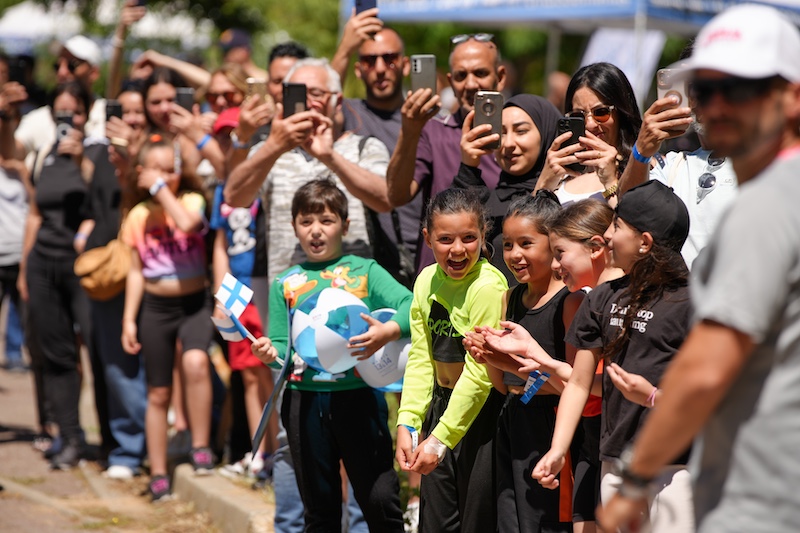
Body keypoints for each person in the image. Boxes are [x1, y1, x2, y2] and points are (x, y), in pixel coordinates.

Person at [598, 5, 800, 532]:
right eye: (704, 91)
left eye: (736, 89)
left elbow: (710, 363)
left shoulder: (774, 202)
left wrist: (637, 477)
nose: (715, 106)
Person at [494, 180, 695, 531]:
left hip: (678, 464)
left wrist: (650, 396)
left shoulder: (691, 303)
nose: (608, 235)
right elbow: (579, 383)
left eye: (617, 226)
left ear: (644, 243)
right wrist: (558, 450)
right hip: (615, 459)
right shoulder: (603, 300)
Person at [250, 178, 408, 531]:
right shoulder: (285, 283)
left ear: (345, 225)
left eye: (326, 221)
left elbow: (410, 305)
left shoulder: (364, 271)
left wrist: (388, 331)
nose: (316, 231)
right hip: (303, 405)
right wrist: (268, 351)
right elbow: (280, 346)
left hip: (360, 400)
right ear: (294, 227)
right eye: (306, 222)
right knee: (320, 513)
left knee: (380, 500)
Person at [395, 188, 508, 532]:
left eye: (468, 238)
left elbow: (479, 376)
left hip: (481, 414)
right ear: (427, 238)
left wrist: (440, 439)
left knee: (476, 521)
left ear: (483, 235)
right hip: (441, 409)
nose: (457, 249)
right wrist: (409, 422)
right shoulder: (426, 280)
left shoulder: (488, 286)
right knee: (437, 522)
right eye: (445, 239)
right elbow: (420, 357)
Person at [466, 191, 579, 533]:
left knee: (542, 522)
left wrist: (512, 365)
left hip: (552, 427)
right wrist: (488, 356)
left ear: (553, 242)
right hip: (512, 421)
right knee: (509, 520)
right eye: (509, 245)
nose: (515, 255)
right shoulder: (509, 298)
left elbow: (574, 386)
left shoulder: (569, 303)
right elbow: (505, 386)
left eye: (526, 243)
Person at [223, 57, 392, 282]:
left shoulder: (365, 147)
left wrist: (329, 156)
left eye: (316, 93)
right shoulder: (269, 150)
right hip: (289, 297)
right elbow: (234, 197)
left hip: (353, 293)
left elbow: (385, 199)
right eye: (298, 93)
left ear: (337, 101)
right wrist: (274, 146)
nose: (308, 102)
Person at [120, 138, 215, 500]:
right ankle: (158, 471)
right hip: (155, 309)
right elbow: (135, 272)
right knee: (158, 392)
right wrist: (129, 320)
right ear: (141, 173)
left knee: (195, 362)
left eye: (169, 169)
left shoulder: (190, 201)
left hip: (194, 303)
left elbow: (189, 224)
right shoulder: (139, 215)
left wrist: (161, 189)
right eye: (155, 170)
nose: (163, 177)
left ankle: (201, 445)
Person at [17, 82, 96, 470]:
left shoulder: (96, 152)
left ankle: (116, 442)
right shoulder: (46, 153)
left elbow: (103, 204)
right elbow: (35, 213)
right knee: (56, 354)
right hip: (42, 263)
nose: (68, 120)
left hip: (82, 268)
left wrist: (82, 160)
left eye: (75, 113)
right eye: (60, 113)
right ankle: (69, 435)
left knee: (96, 351)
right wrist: (23, 269)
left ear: (87, 113)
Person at [386, 33, 506, 271]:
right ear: (451, 81)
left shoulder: (518, 137)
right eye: (461, 76)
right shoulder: (432, 132)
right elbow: (397, 195)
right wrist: (409, 130)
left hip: (499, 281)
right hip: (438, 285)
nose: (471, 84)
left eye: (480, 73)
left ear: (500, 77)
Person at [618, 51, 736, 268]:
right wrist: (641, 151)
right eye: (692, 87)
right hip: (676, 300)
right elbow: (629, 208)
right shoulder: (673, 165)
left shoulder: (764, 164)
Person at [85, 81, 149, 479]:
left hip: (159, 270)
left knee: (155, 363)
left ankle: (151, 442)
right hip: (114, 273)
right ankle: (125, 448)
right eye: (122, 111)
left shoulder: (160, 149)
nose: (131, 118)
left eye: (137, 110)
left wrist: (134, 153)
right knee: (115, 362)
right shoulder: (99, 153)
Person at [336, 23, 423, 288]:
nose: (381, 68)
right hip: (364, 259)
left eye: (390, 58)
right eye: (369, 60)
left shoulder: (425, 117)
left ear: (405, 65)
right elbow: (322, 92)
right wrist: (345, 48)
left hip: (423, 256)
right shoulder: (347, 115)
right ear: (358, 69)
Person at [454, 94, 561, 282]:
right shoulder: (486, 200)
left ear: (546, 133)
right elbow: (454, 227)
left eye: (521, 131)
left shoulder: (565, 193)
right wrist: (468, 166)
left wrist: (543, 188)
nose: (509, 143)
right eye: (502, 133)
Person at [536, 62, 641, 207]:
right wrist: (543, 185)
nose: (590, 124)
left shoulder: (643, 167)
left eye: (601, 112)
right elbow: (528, 227)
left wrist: (611, 183)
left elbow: (635, 226)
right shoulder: (560, 174)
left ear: (622, 114)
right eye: (579, 115)